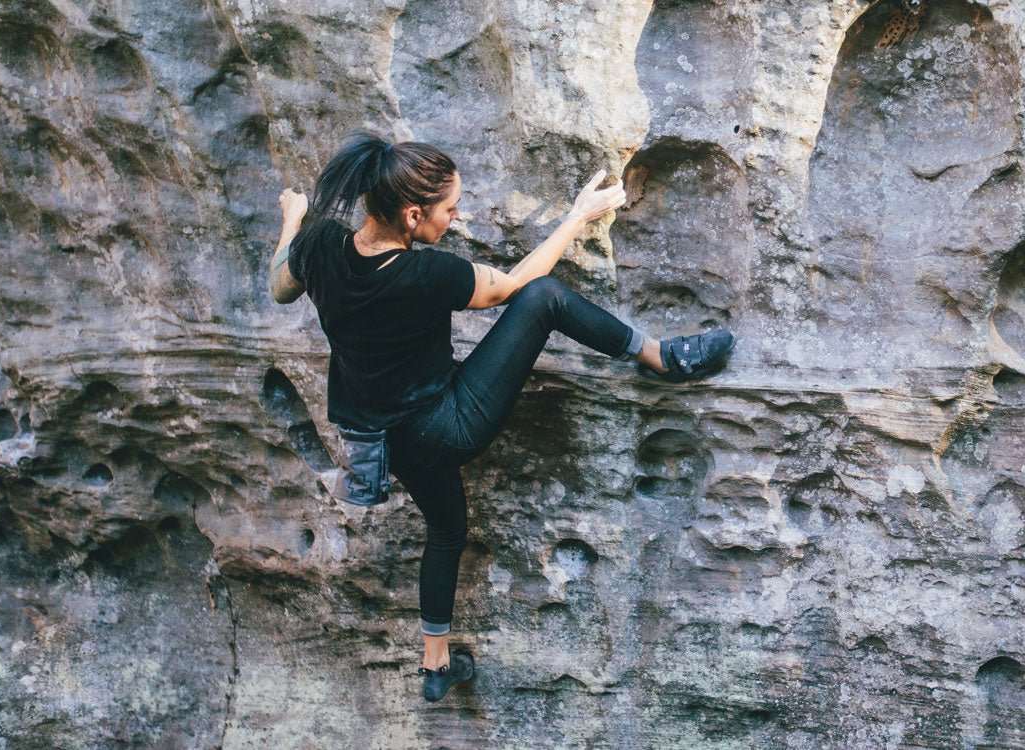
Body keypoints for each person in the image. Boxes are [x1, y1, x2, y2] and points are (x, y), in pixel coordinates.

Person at [266, 132, 734, 702]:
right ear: (412, 215)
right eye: (449, 208)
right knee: (548, 300)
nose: (457, 213)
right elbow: (518, 286)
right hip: (447, 427)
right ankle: (660, 355)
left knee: (447, 530)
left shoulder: (319, 248)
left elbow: (280, 286)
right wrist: (577, 216)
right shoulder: (426, 275)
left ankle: (436, 664)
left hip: (385, 442)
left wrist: (294, 219)